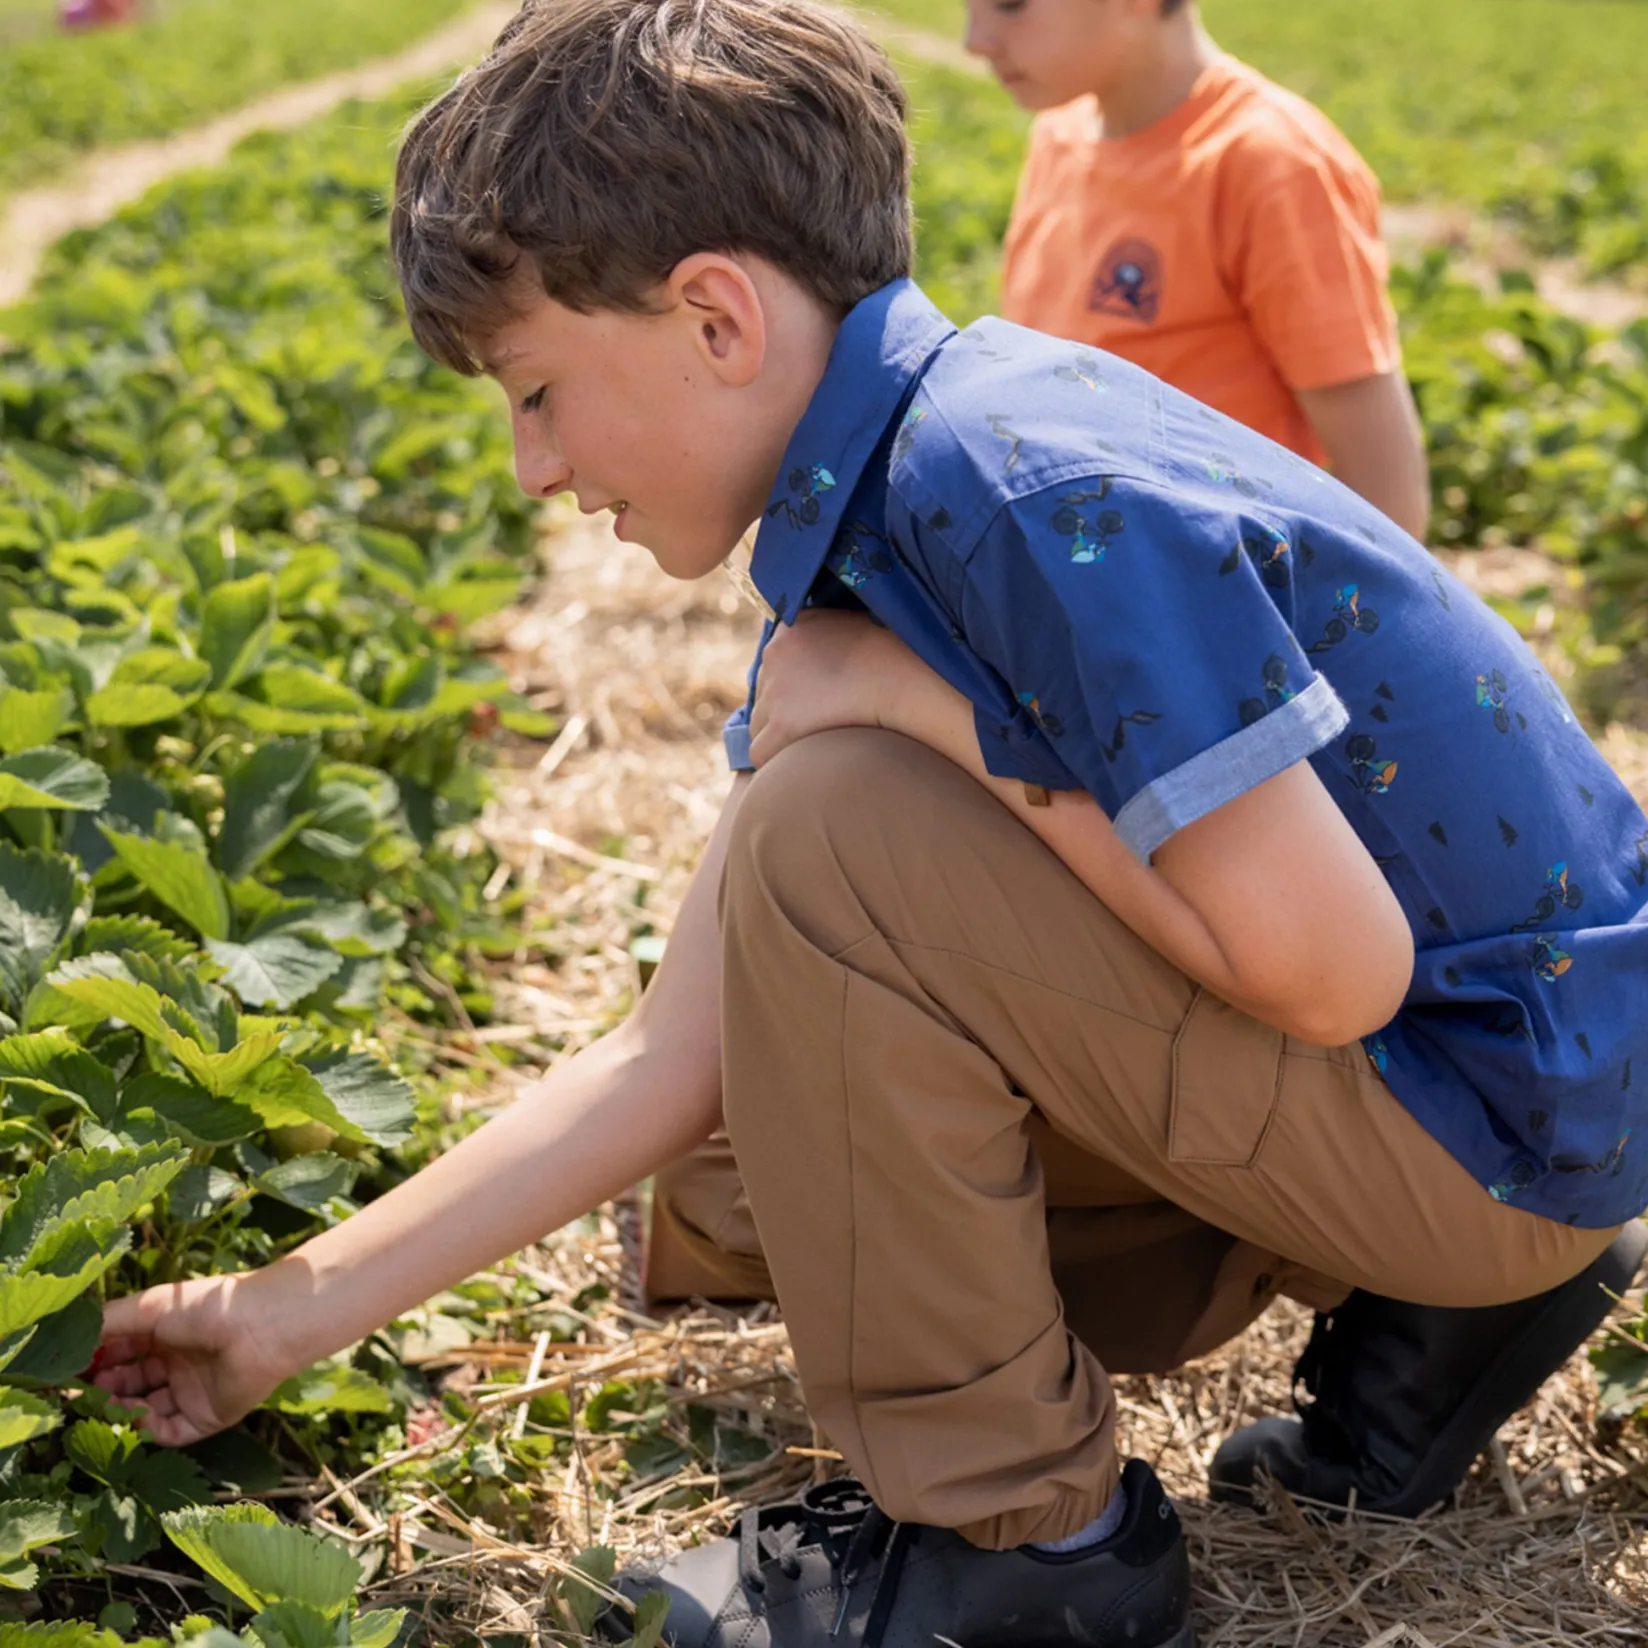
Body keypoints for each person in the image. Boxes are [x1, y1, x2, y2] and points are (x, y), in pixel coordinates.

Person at [92, 4, 1648, 1646]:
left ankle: (1018, 1545)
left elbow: (1332, 971)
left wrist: (931, 720)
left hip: (1494, 1121)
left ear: (712, 316)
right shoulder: (890, 487)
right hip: (1501, 1080)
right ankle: (1430, 1310)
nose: (531, 466)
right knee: (740, 1142)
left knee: (826, 836)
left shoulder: (1014, 483)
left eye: (539, 391)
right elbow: (665, 1055)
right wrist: (278, 1312)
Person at [965, 0, 1431, 542]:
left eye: (1009, 5)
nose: (976, 40)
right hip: (1077, 554)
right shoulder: (1058, 135)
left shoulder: (1271, 164)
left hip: (1217, 583)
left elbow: (1381, 472)